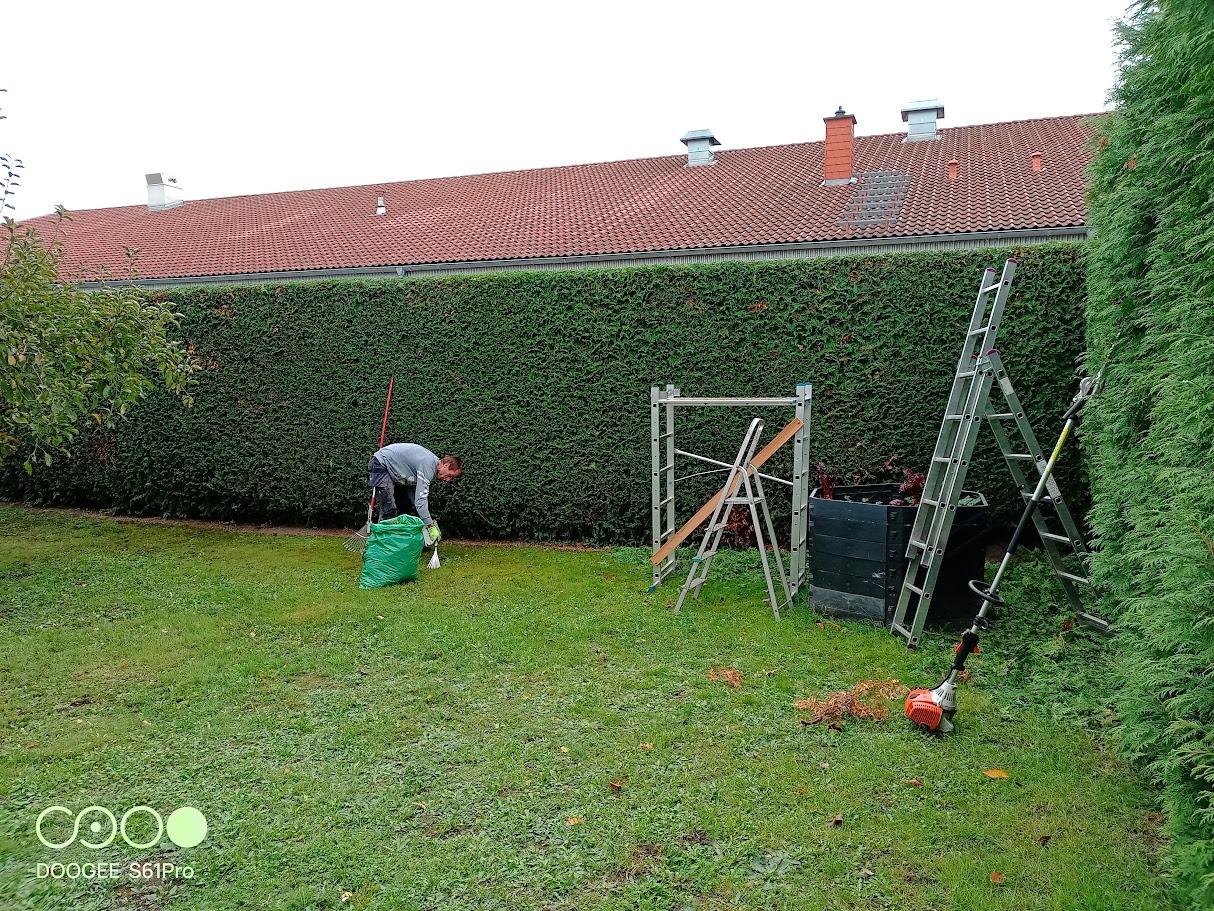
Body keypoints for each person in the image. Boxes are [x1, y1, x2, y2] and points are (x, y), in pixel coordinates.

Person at [367, 443, 462, 538]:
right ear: (445, 466)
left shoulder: (432, 468)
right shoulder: (428, 466)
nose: (448, 480)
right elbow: (420, 501)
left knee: (403, 505)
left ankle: (400, 542)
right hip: (380, 464)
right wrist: (430, 526)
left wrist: (422, 513)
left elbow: (413, 490)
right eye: (450, 475)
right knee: (389, 508)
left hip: (395, 472)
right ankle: (382, 543)